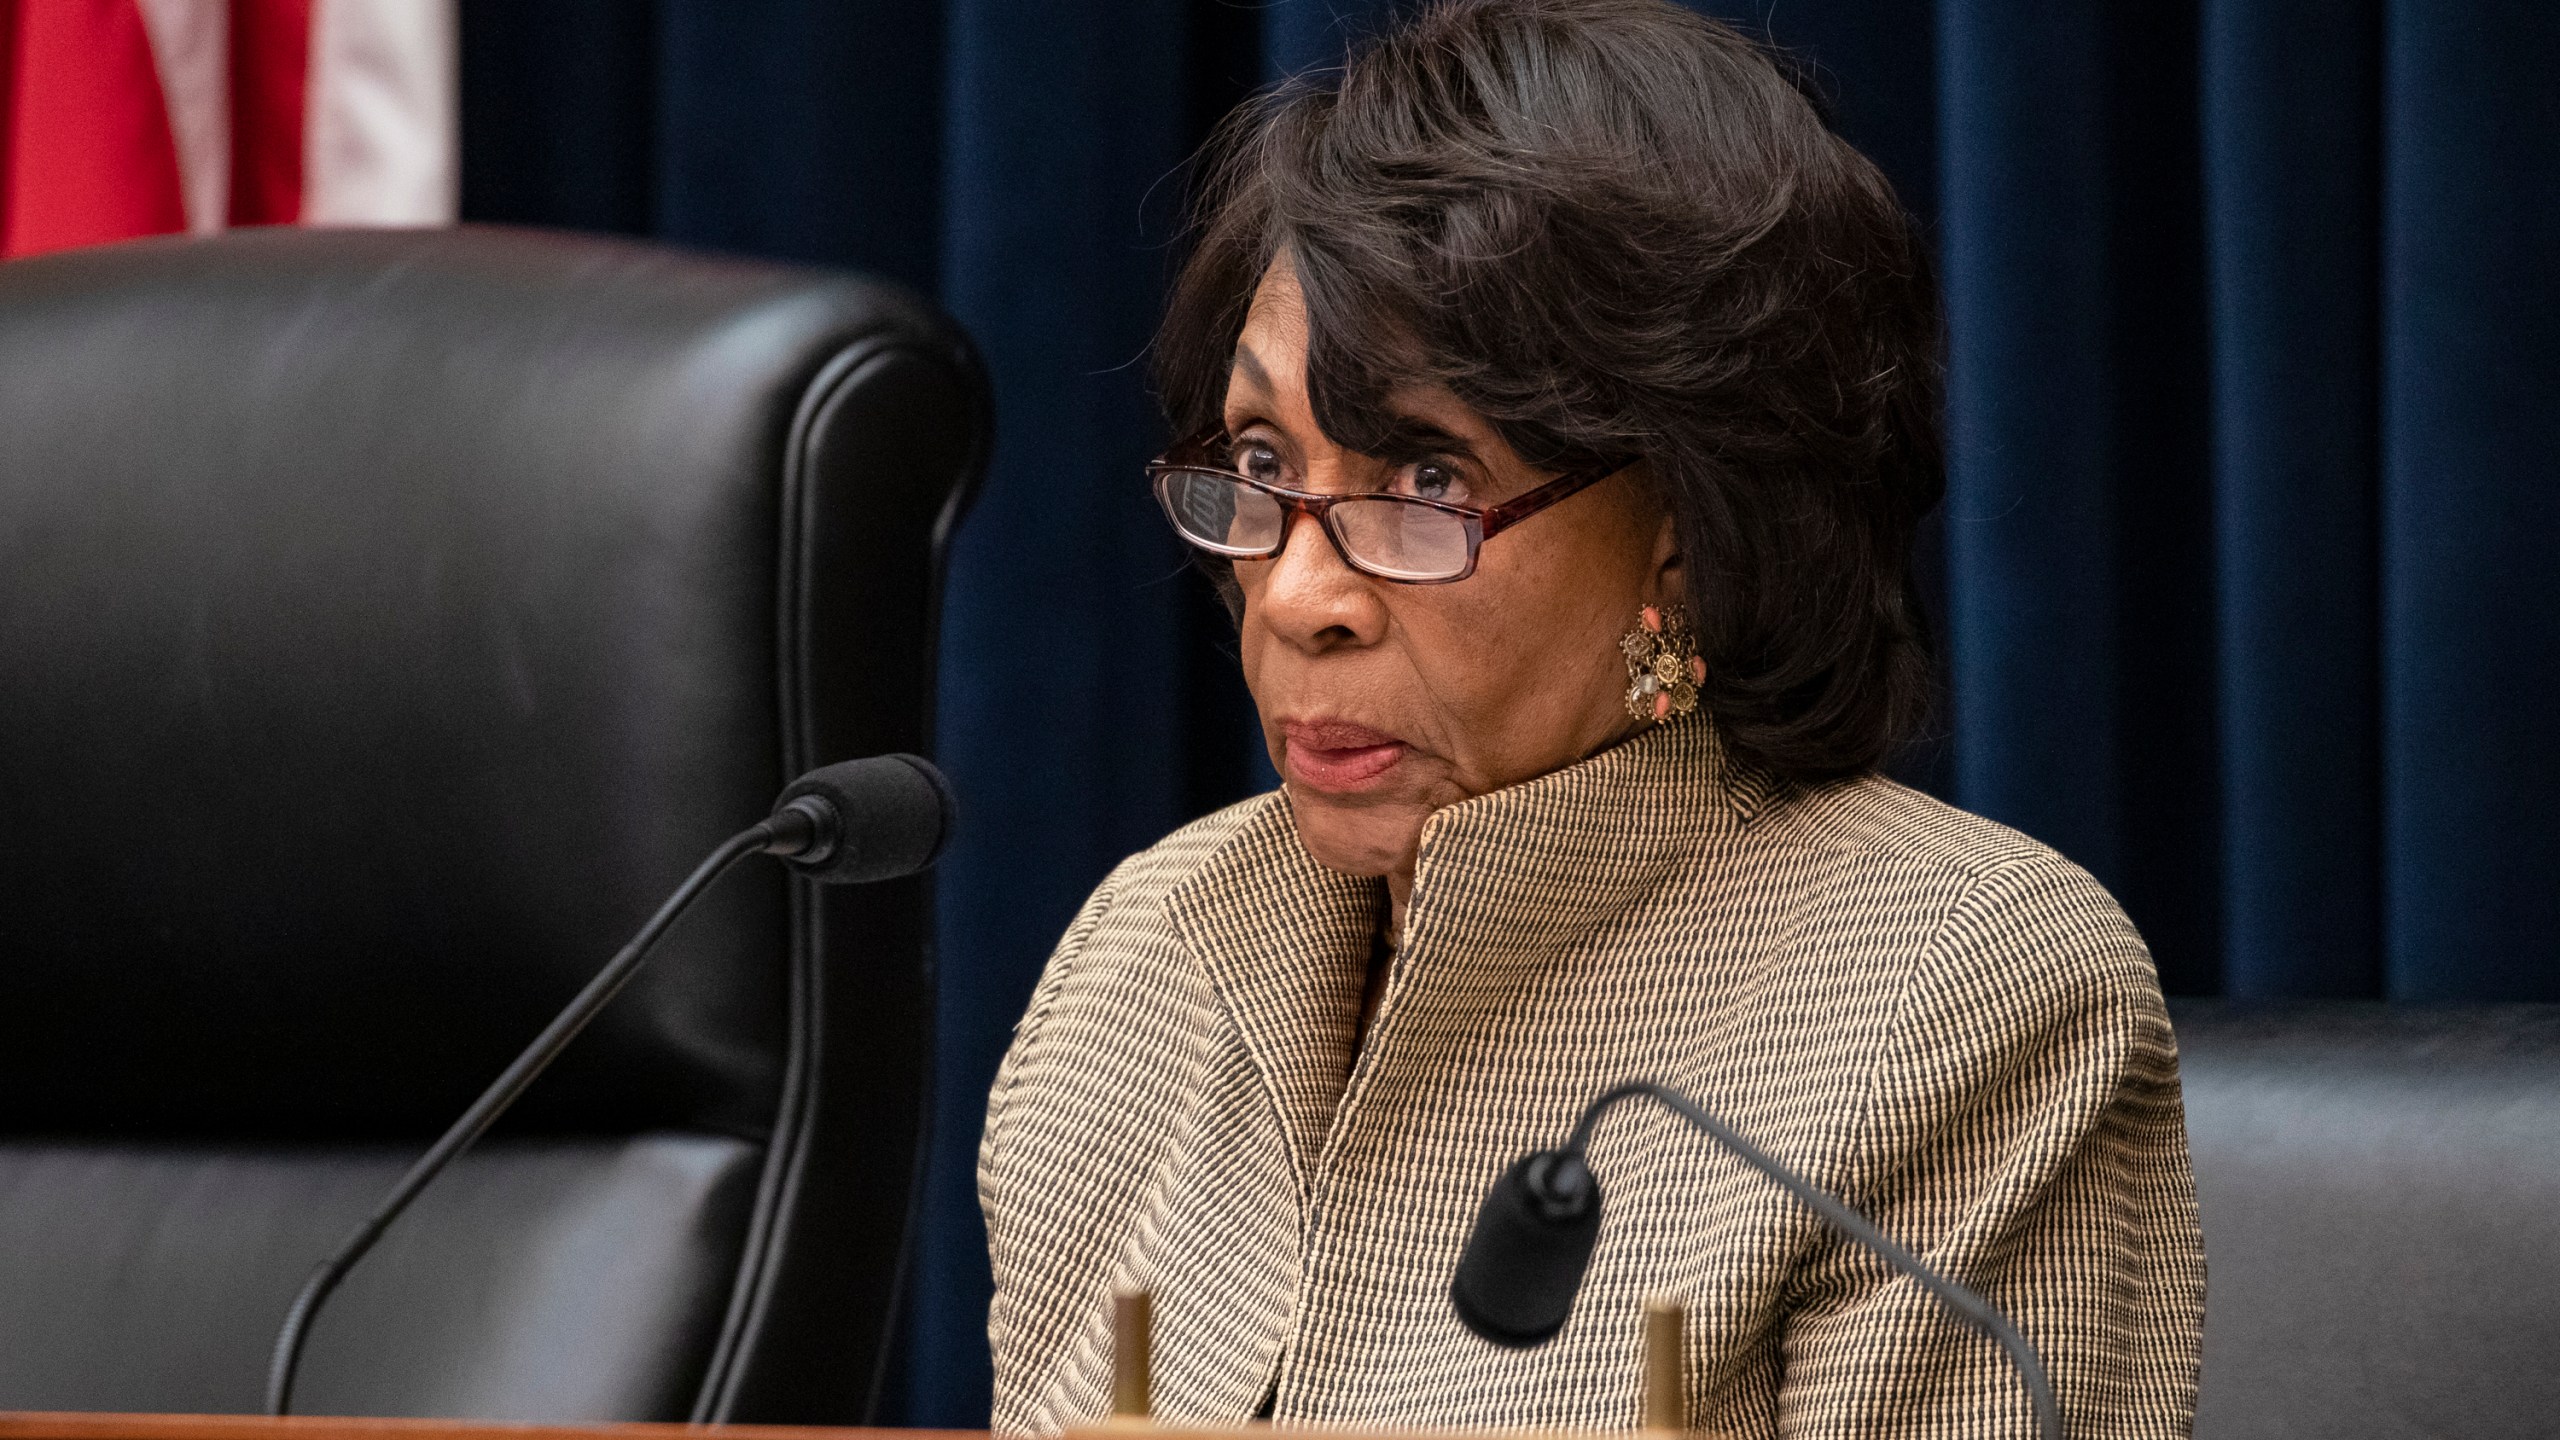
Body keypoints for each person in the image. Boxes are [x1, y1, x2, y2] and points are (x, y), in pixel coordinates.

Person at [976, 1, 2204, 1435]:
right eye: (1260, 458)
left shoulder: (1962, 992)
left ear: (1686, 527)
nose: (1298, 591)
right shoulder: (1150, 957)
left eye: (1429, 479)